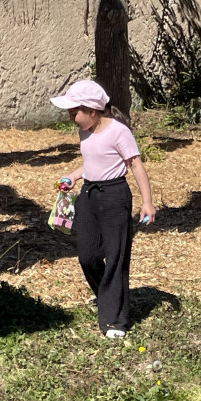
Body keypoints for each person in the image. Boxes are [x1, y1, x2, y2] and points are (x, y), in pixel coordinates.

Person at [51, 80, 156, 339]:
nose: (71, 117)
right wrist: (73, 176)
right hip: (89, 195)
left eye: (74, 112)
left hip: (114, 196)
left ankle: (116, 321)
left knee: (116, 257)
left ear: (93, 111)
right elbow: (91, 162)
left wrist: (147, 202)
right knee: (87, 256)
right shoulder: (85, 131)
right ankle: (108, 298)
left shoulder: (119, 131)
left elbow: (136, 165)